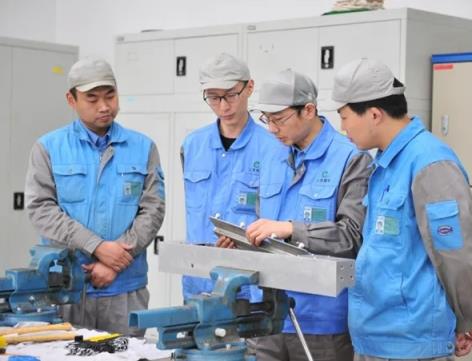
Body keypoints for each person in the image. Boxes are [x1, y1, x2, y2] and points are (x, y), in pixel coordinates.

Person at [331, 57, 472, 360]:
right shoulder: (386, 164)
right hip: (375, 338)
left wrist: (465, 318)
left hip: (410, 344)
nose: (342, 127)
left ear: (374, 114)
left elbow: (456, 256)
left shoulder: (430, 163)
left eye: (345, 117)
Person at [232, 69, 372, 361]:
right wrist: (240, 236)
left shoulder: (350, 158)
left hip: (322, 321)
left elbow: (352, 237)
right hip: (268, 314)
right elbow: (260, 220)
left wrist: (291, 229)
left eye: (279, 119)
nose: (271, 128)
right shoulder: (272, 156)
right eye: (266, 119)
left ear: (308, 110)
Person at [25, 57, 165, 336]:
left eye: (110, 96)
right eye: (92, 99)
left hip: (126, 289)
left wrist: (116, 260)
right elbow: (41, 209)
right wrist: (98, 246)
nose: (104, 106)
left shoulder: (143, 147)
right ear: (71, 99)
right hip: (67, 289)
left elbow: (153, 209)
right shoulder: (48, 148)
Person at [180, 53, 283, 300]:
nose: (223, 106)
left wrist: (243, 242)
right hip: (199, 282)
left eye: (230, 95)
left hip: (249, 284)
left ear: (249, 87)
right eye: (214, 98)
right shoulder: (193, 145)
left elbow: (280, 218)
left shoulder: (275, 148)